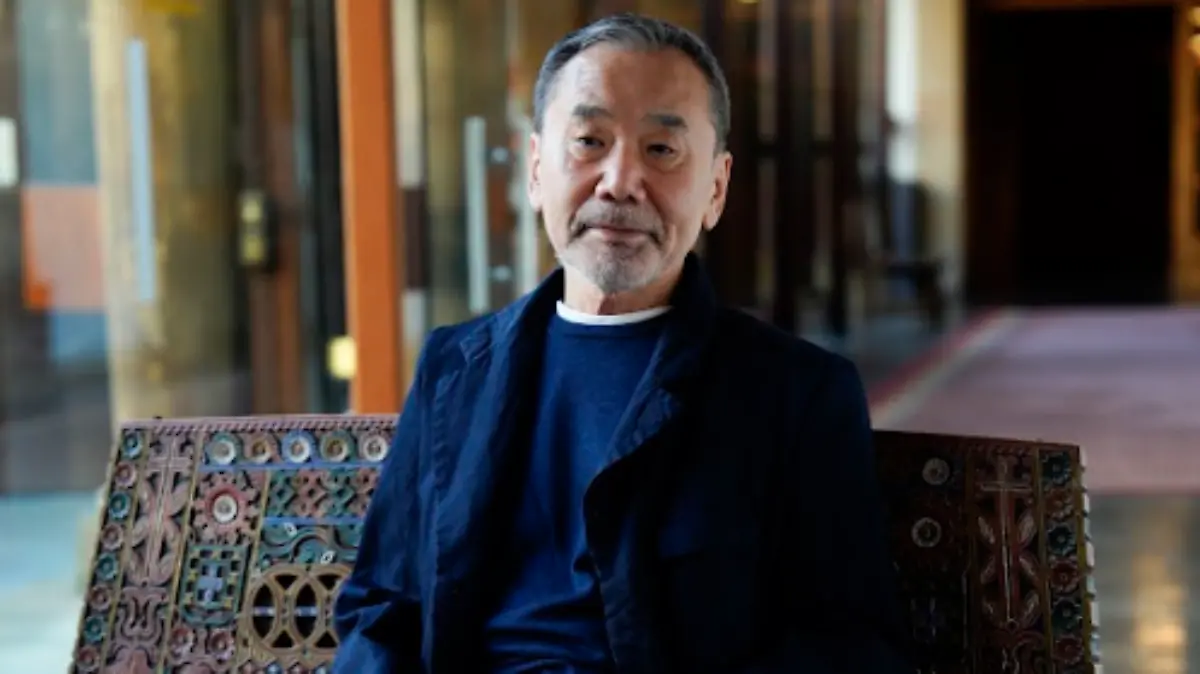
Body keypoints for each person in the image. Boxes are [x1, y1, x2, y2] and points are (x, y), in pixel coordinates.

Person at [333, 13, 912, 674]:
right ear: (535, 169)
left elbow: (849, 645)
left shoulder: (797, 393)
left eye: (662, 150)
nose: (619, 181)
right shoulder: (454, 370)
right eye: (589, 140)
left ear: (716, 189)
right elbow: (381, 609)